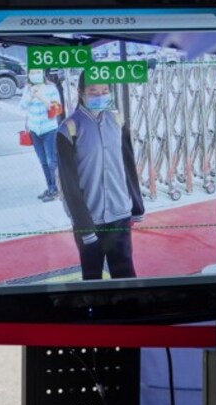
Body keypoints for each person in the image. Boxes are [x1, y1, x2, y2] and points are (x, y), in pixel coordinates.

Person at [56, 72, 144, 280]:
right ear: (81, 93)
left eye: (104, 91)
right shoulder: (68, 128)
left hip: (119, 213)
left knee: (125, 273)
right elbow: (69, 184)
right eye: (93, 91)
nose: (100, 96)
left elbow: (128, 164)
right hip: (89, 217)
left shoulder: (117, 120)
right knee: (92, 276)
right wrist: (84, 225)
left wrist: (137, 206)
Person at [19, 69, 62, 202]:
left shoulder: (51, 88)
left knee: (51, 161)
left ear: (42, 73)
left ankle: (56, 189)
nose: (34, 75)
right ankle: (50, 187)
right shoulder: (28, 89)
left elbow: (56, 108)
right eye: (31, 73)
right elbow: (22, 106)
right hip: (34, 130)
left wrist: (42, 97)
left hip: (49, 129)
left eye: (37, 72)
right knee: (43, 161)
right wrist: (30, 95)